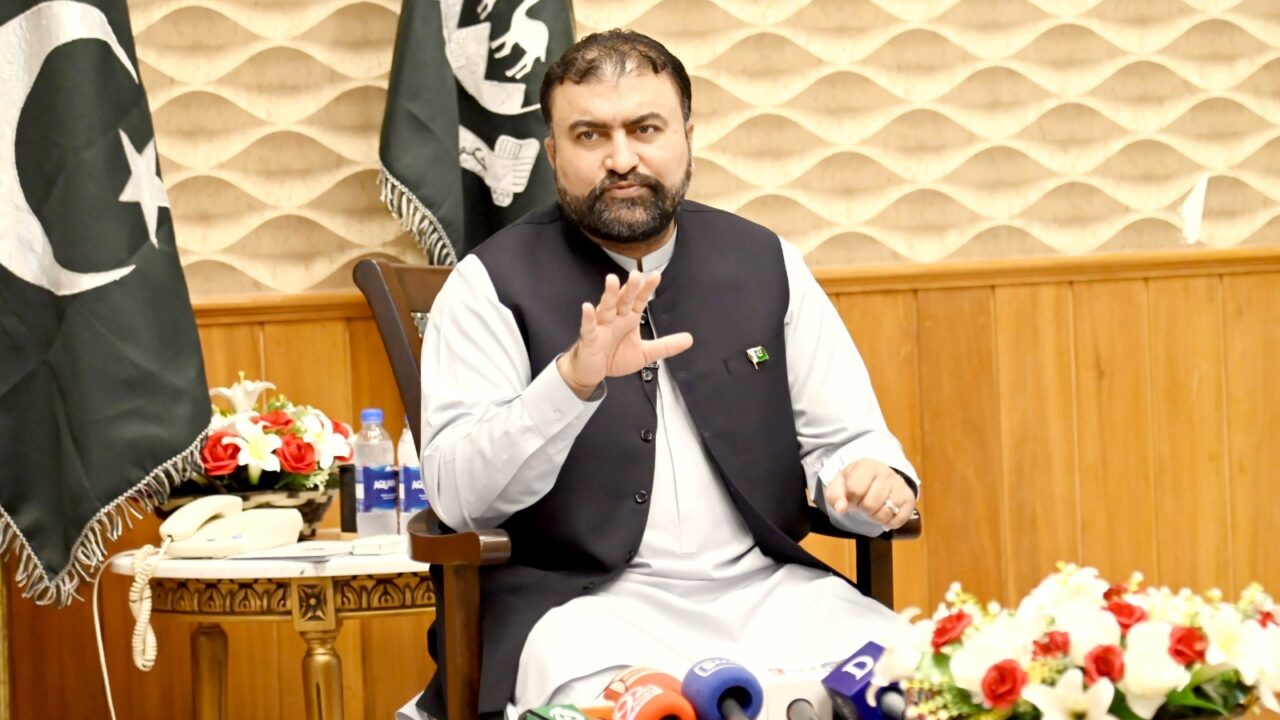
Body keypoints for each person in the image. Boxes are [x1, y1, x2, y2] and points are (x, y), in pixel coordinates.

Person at [396, 29, 920, 720]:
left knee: (918, 673)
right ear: (553, 154)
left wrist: (869, 479)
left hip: (770, 595)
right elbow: (460, 499)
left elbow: (848, 442)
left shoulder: (766, 263)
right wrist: (569, 383)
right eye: (590, 135)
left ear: (687, 138)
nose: (622, 160)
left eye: (645, 129)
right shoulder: (487, 285)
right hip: (586, 612)